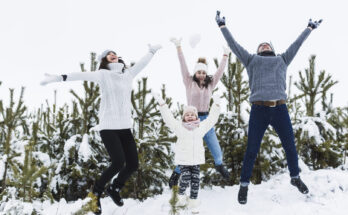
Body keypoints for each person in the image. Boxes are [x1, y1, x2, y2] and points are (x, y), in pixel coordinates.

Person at [215, 10, 322, 204]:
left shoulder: (282, 59)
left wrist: (309, 28)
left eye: (267, 44)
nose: (264, 45)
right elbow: (234, 45)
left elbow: (297, 45)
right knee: (252, 149)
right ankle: (244, 185)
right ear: (258, 51)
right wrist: (222, 26)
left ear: (271, 48)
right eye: (261, 45)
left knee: (290, 145)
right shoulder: (251, 61)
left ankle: (295, 177)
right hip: (259, 110)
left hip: (280, 110)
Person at [40, 44, 162, 214]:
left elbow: (141, 64)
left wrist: (151, 51)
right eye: (108, 54)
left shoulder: (127, 74)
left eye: (115, 53)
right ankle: (95, 194)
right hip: (108, 126)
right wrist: (57, 77)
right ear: (104, 60)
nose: (113, 55)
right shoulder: (103, 75)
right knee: (118, 162)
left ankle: (114, 189)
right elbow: (79, 75)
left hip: (125, 127)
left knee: (133, 164)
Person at [168, 37, 230, 188]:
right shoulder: (189, 82)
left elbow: (220, 72)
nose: (201, 74)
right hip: (191, 121)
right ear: (195, 73)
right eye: (199, 72)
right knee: (188, 150)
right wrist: (178, 47)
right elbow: (182, 65)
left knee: (215, 147)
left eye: (204, 72)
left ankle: (219, 165)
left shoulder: (210, 84)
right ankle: (176, 173)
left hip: (206, 119)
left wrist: (225, 55)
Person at [153, 92, 221, 213]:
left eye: (192, 114)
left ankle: (193, 205)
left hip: (196, 161)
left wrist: (216, 104)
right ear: (184, 117)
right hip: (183, 161)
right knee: (186, 177)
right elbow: (168, 119)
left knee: (196, 181)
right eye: (187, 114)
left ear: (196, 117)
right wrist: (162, 104)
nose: (190, 116)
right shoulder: (179, 127)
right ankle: (181, 196)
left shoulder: (201, 127)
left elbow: (212, 119)